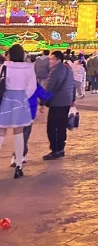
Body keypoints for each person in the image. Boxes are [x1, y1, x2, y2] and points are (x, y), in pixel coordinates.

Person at [0, 44, 37, 178]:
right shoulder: (29, 68)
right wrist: (23, 97)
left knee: (1, 131)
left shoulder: (4, 67)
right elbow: (32, 86)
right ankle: (19, 165)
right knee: (19, 133)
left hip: (6, 99)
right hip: (21, 100)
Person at [43, 50, 75, 160]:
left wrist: (42, 101)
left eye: (52, 59)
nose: (50, 61)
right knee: (61, 126)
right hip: (66, 102)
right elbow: (73, 84)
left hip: (56, 102)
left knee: (52, 127)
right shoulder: (68, 69)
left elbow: (49, 87)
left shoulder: (55, 71)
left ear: (58, 60)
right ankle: (61, 148)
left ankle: (55, 150)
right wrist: (72, 99)